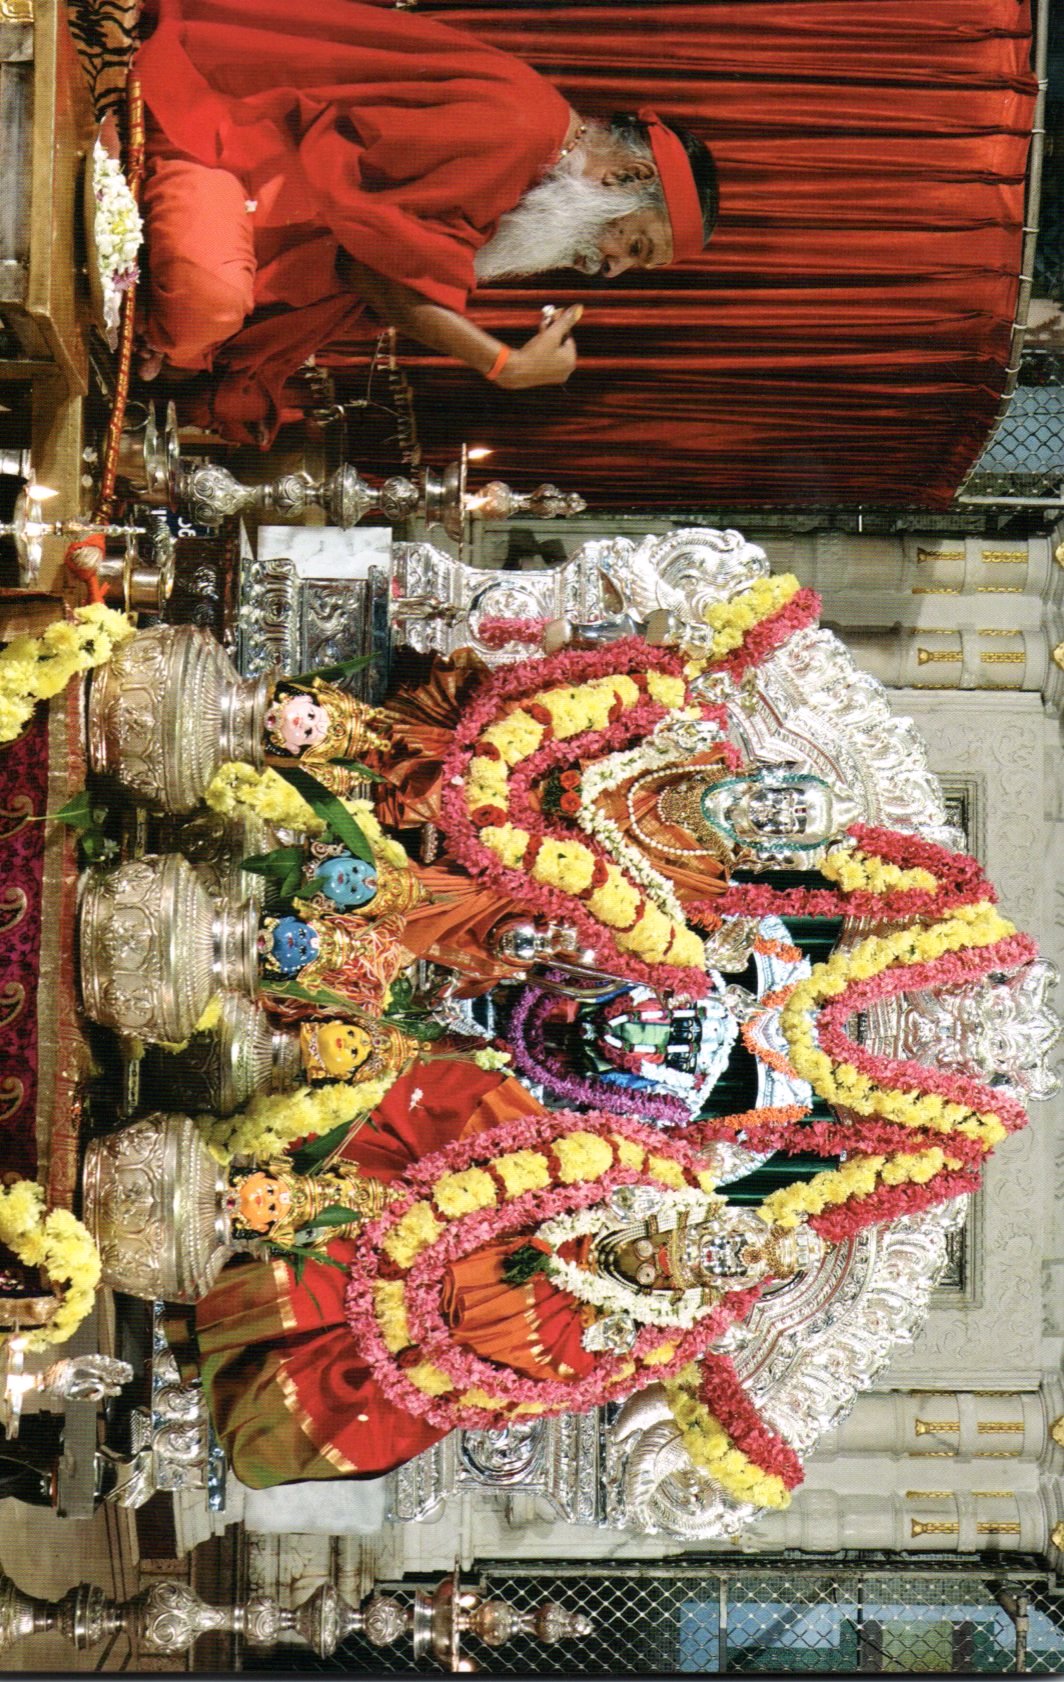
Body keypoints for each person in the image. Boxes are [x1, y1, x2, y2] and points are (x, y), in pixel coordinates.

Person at [165, 1058, 815, 1489]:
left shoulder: (595, 1348)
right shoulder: (617, 1175)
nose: (645, 1260)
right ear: (656, 1218)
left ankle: (187, 1307)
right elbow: (523, 1156)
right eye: (655, 1245)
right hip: (434, 1196)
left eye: (658, 1276)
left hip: (423, 1333)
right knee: (401, 1136)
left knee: (367, 1408)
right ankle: (195, 1179)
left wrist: (459, 1285)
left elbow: (496, 1352)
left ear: (662, 1302)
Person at [133, 0, 719, 443]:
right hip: (219, 148)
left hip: (257, 212)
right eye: (636, 245)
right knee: (205, 305)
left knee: (202, 358)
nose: (610, 269)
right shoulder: (519, 135)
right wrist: (503, 365)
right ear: (629, 177)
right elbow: (374, 268)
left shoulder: (534, 159)